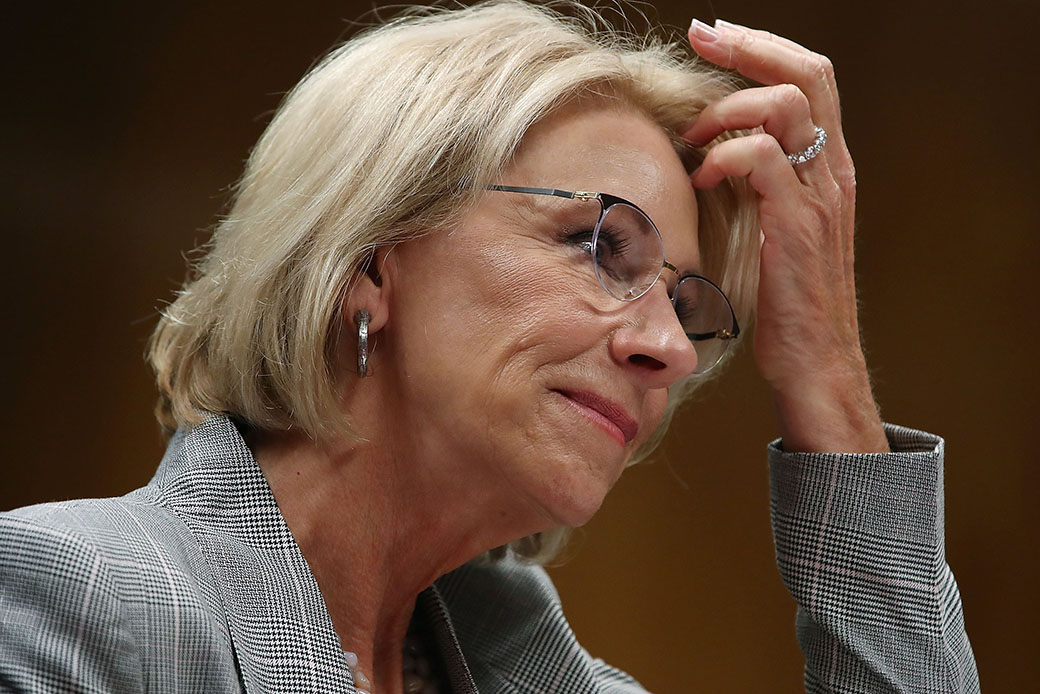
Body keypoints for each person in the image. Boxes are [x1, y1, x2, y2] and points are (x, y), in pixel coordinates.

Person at [0, 1, 979, 692]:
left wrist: (828, 384)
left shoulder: (546, 677)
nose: (670, 352)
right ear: (371, 256)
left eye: (686, 307)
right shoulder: (65, 598)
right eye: (600, 245)